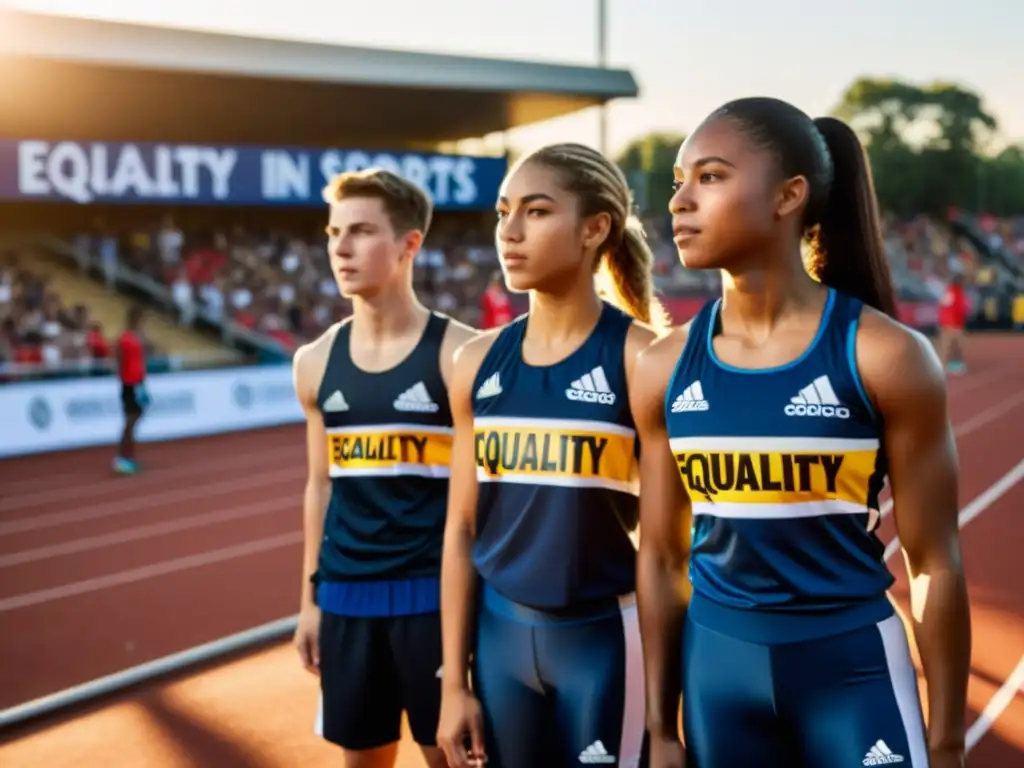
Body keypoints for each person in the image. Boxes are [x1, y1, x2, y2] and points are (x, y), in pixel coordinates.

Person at [632, 97, 971, 768]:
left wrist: (949, 738)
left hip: (851, 671)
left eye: (711, 176)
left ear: (789, 195)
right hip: (715, 675)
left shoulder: (885, 356)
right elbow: (663, 558)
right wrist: (661, 726)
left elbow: (933, 561)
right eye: (678, 180)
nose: (679, 201)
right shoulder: (662, 367)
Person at [435, 142, 668, 768]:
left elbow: (673, 547)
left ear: (595, 229)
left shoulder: (643, 358)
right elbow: (460, 530)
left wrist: (666, 707)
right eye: (503, 211)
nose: (508, 232)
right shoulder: (475, 363)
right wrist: (454, 684)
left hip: (605, 642)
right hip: (498, 640)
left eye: (535, 212)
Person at [291, 167, 475, 768]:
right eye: (333, 232)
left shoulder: (460, 356)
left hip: (433, 603)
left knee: (448, 755)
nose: (340, 248)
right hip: (345, 601)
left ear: (408, 244)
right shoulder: (314, 362)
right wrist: (310, 601)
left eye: (362, 231)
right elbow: (320, 486)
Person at [113, 304, 148, 475]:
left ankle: (127, 456)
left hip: (138, 383)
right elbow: (119, 359)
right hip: (130, 383)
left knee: (135, 419)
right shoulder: (125, 338)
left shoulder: (137, 337)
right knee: (130, 421)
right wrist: (124, 378)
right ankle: (122, 458)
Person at [937, 273, 968, 374]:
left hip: (955, 324)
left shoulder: (958, 293)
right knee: (947, 347)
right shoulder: (951, 293)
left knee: (957, 348)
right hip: (951, 325)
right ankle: (942, 367)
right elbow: (946, 308)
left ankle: (955, 365)